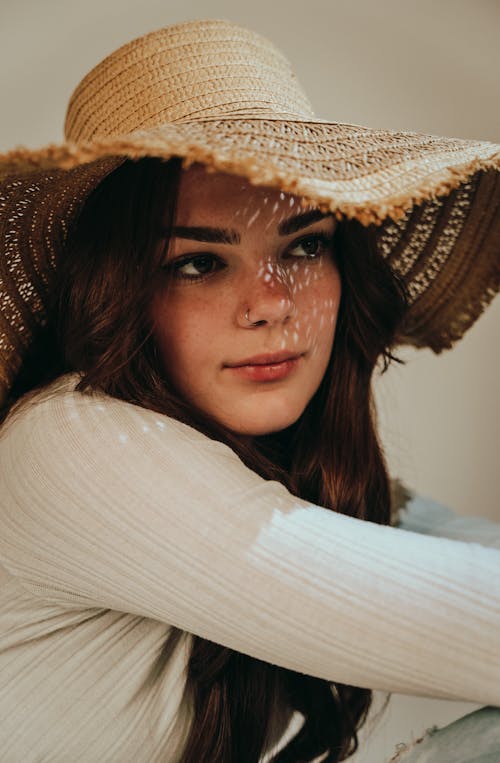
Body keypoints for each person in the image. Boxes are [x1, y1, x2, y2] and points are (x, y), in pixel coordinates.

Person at [0, 18, 499, 763]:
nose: (271, 302)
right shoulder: (70, 444)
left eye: (305, 246)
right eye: (199, 263)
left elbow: (457, 545)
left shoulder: (275, 461)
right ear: (117, 293)